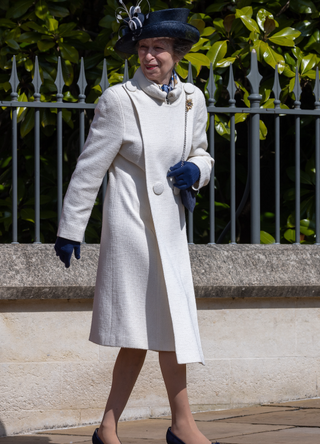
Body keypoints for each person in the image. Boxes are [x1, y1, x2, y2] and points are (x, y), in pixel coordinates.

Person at [54, 4, 217, 444]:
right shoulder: (119, 100)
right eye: (143, 47)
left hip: (170, 228)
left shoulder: (191, 99)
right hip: (132, 227)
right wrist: (71, 228)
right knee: (152, 329)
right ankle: (179, 427)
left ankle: (115, 427)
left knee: (158, 330)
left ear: (176, 52)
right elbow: (90, 168)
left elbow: (202, 151)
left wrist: (197, 172)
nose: (149, 56)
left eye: (158, 48)